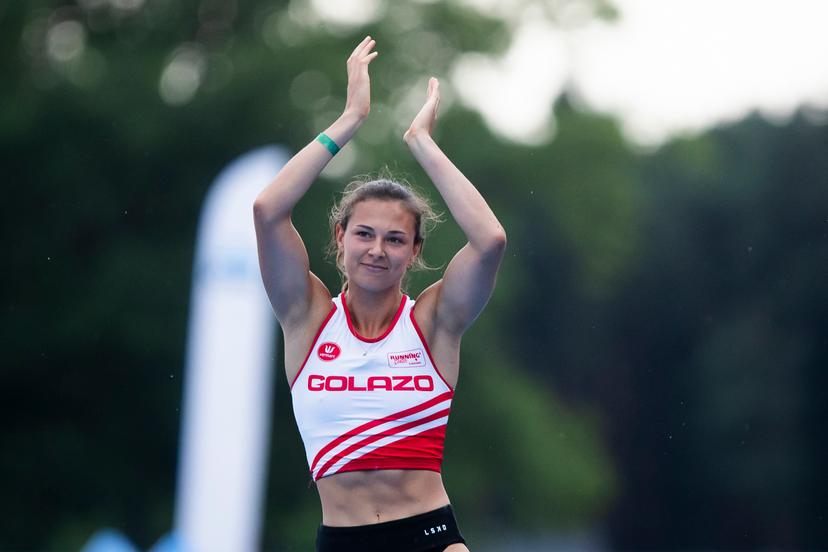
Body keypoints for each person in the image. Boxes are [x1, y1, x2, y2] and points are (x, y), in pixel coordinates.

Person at [254, 36, 506, 552]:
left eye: (395, 239)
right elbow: (267, 210)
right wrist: (350, 119)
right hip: (342, 540)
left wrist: (423, 143)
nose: (377, 250)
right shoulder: (306, 315)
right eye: (364, 234)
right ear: (340, 237)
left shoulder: (434, 322)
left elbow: (490, 240)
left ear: (414, 252)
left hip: (428, 537)